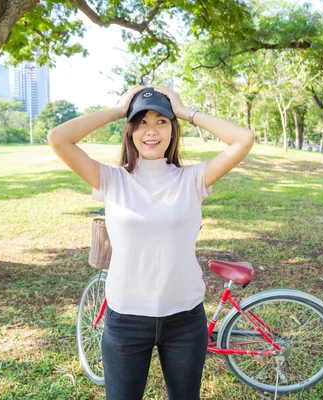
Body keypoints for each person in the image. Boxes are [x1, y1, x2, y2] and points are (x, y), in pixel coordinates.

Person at [47, 85, 254, 400]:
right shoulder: (111, 180)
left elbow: (244, 139)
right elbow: (58, 138)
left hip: (185, 319)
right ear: (130, 132)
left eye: (161, 121)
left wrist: (185, 111)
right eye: (141, 122)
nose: (151, 131)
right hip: (126, 318)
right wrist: (118, 110)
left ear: (173, 130)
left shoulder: (193, 179)